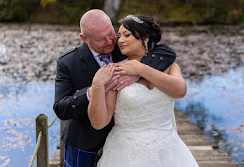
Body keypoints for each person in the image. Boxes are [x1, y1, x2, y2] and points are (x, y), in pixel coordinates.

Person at [53, 10, 176, 167]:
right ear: (84, 39)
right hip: (84, 142)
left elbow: (165, 52)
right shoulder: (68, 62)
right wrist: (93, 91)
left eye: (110, 33)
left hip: (126, 141)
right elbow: (60, 108)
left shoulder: (125, 44)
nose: (110, 41)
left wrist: (137, 71)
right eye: (101, 39)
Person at [88, 15, 199, 166]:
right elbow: (99, 123)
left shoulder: (170, 66)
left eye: (127, 35)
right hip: (126, 153)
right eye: (119, 36)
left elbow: (180, 91)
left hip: (168, 150)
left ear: (145, 38)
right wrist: (97, 85)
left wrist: (140, 69)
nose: (120, 40)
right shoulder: (116, 71)